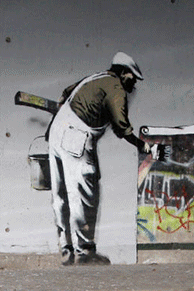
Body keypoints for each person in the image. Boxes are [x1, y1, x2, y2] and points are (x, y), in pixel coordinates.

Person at [47, 52, 156, 265]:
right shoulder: (115, 88)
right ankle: (84, 253)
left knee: (60, 196)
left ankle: (66, 249)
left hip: (57, 133)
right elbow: (121, 127)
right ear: (124, 73)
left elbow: (65, 93)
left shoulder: (95, 78)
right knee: (84, 196)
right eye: (132, 78)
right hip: (76, 137)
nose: (133, 83)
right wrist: (144, 146)